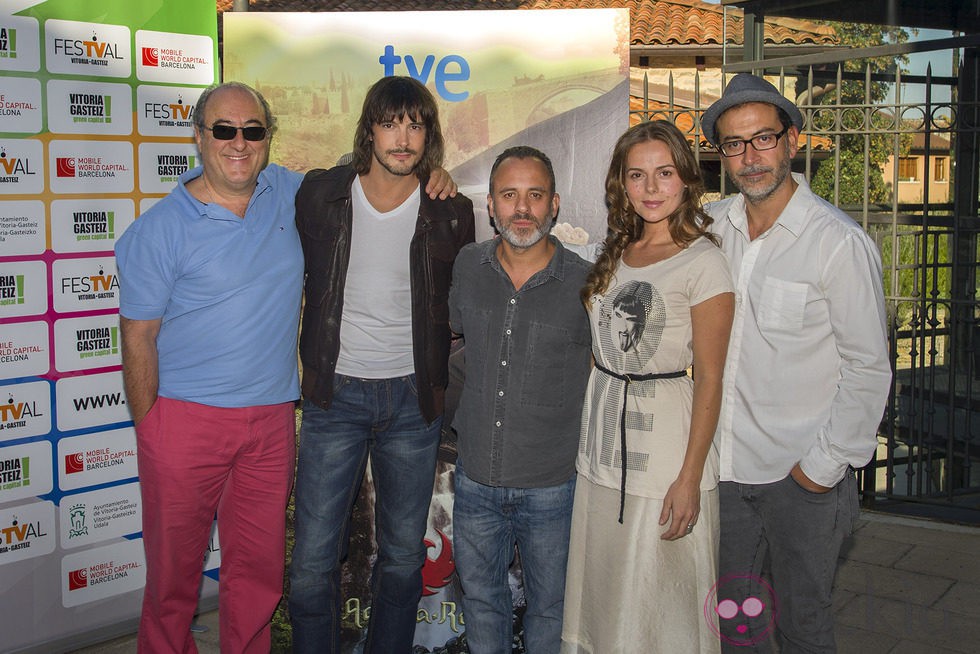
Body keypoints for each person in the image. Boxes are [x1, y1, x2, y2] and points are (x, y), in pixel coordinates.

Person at [701, 73, 891, 652]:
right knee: (737, 625)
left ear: (792, 139)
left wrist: (820, 468)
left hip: (801, 482)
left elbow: (869, 367)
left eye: (762, 138)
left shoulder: (836, 241)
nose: (750, 157)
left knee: (803, 627)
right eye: (734, 144)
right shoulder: (711, 230)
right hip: (727, 476)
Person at [288, 76, 475, 654]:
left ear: (429, 136)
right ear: (369, 129)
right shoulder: (321, 196)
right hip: (333, 399)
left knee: (400, 559)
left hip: (412, 403)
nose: (403, 137)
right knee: (313, 561)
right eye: (391, 122)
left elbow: (460, 311)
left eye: (415, 124)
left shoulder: (451, 210)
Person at [116, 82, 302, 653]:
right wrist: (152, 429)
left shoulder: (289, 191)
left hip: (271, 422)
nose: (239, 143)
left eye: (253, 130)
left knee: (257, 575)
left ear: (267, 138)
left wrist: (435, 178)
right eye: (224, 129)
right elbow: (138, 339)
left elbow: (367, 178)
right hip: (184, 423)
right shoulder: (158, 231)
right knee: (173, 582)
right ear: (199, 136)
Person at [561, 120, 735, 653]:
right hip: (601, 455)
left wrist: (689, 478)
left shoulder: (705, 261)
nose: (652, 188)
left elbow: (709, 378)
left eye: (664, 173)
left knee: (661, 609)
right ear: (621, 183)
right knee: (606, 598)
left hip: (664, 459)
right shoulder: (615, 253)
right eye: (638, 175)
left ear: (685, 177)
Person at [448, 146, 591, 654]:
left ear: (555, 204)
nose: (522, 208)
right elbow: (451, 341)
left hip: (553, 488)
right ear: (490, 205)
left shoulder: (587, 282)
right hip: (475, 482)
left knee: (550, 610)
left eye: (535, 195)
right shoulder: (467, 266)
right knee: (482, 604)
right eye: (510, 195)